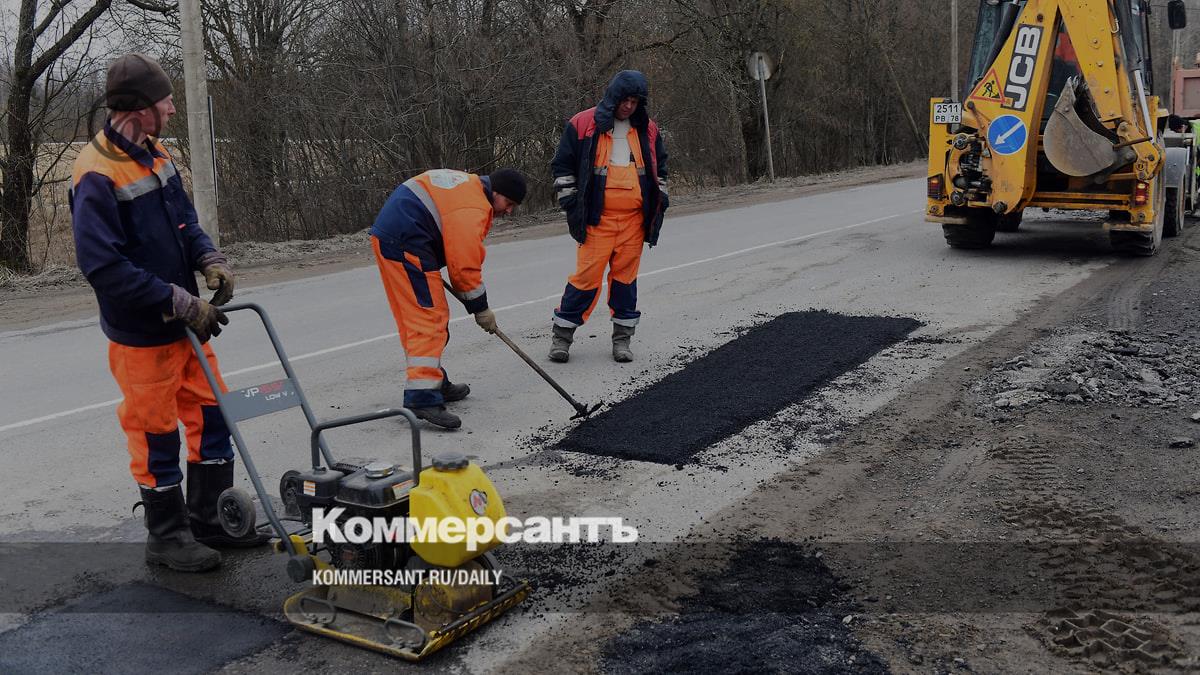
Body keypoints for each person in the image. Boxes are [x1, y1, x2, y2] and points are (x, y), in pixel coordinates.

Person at [72, 53, 263, 573]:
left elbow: (185, 225)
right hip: (142, 335)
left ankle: (210, 518)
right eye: (166, 100)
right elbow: (104, 267)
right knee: (154, 432)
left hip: (187, 327)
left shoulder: (158, 155)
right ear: (140, 108)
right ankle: (168, 535)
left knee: (213, 412)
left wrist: (210, 259)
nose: (174, 108)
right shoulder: (95, 172)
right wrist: (179, 301)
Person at [370, 168, 526, 429]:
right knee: (427, 319)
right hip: (406, 243)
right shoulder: (473, 207)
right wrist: (481, 309)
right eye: (508, 203)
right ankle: (422, 397)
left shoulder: (471, 190)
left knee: (423, 319)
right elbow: (463, 267)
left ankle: (434, 381)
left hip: (403, 237)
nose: (509, 211)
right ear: (495, 192)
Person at [549, 69, 668, 363]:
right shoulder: (583, 123)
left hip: (633, 223)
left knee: (625, 282)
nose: (628, 106)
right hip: (596, 221)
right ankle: (562, 338)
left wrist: (660, 201)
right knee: (585, 280)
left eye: (635, 102)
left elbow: (660, 169)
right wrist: (571, 204)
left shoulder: (647, 129)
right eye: (625, 100)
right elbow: (562, 166)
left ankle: (622, 340)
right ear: (613, 96)